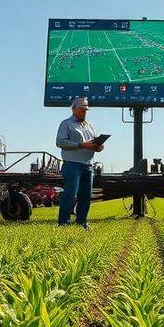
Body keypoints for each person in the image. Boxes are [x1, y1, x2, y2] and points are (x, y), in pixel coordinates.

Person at [55, 96, 103, 229]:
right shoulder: (66, 124)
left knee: (86, 196)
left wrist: (99, 146)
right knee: (70, 195)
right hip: (72, 164)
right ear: (74, 109)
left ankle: (82, 222)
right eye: (82, 109)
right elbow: (60, 142)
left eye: (86, 109)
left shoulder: (90, 125)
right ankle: (63, 223)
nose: (84, 112)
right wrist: (82, 145)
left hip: (88, 165)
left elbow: (94, 143)